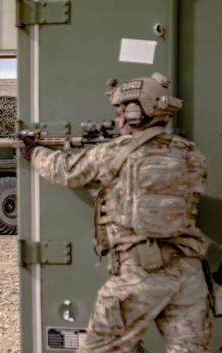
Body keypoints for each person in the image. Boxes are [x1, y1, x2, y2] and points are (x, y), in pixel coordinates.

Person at [19, 73, 212, 353]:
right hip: (190, 277)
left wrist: (33, 152)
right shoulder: (191, 154)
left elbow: (65, 170)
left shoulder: (112, 153)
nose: (119, 117)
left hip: (140, 274)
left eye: (122, 110)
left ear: (136, 112)